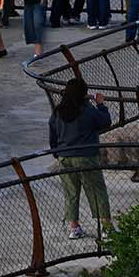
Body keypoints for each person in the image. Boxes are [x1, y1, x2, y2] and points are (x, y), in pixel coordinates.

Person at [50, 76, 111, 240]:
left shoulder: (58, 111)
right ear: (83, 94)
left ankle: (74, 227)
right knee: (97, 191)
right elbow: (105, 122)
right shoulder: (87, 109)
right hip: (86, 157)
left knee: (71, 193)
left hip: (65, 157)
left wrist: (57, 153)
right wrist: (101, 105)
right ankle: (106, 228)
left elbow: (53, 135)